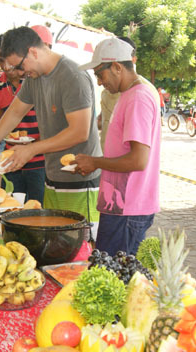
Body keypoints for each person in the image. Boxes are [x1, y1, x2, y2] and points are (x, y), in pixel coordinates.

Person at [0, 26, 102, 233]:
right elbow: (15, 112)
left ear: (33, 52)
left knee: (79, 242)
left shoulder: (73, 76)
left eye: (19, 66)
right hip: (53, 174)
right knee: (56, 240)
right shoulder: (34, 78)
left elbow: (79, 131)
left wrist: (32, 149)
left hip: (79, 179)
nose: (19, 73)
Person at [74, 38, 160, 256]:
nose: (100, 82)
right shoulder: (129, 94)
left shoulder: (138, 98)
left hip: (128, 209)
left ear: (117, 67)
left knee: (115, 278)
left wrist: (95, 162)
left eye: (100, 75)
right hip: (120, 206)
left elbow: (138, 160)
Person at [0, 34, 44, 202]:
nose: (6, 66)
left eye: (8, 60)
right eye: (0, 60)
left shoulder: (34, 80)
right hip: (10, 160)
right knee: (11, 207)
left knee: (37, 209)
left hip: (39, 160)